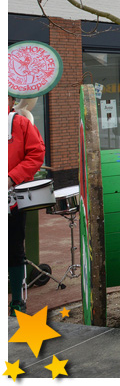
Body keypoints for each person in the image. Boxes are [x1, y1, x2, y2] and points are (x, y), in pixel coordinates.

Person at [8, 94, 46, 315]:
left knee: (13, 250)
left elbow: (36, 153)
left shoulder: (20, 123)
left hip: (11, 201)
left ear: (11, 101)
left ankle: (17, 301)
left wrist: (12, 177)